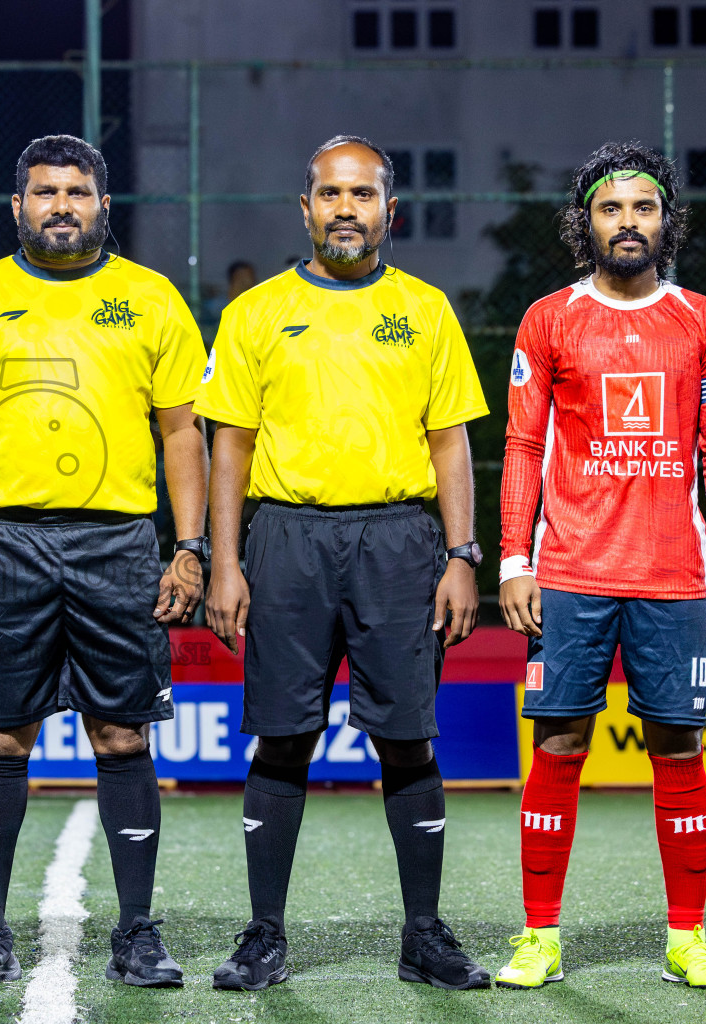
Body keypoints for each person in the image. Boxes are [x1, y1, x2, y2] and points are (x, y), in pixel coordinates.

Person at [199, 134, 491, 992]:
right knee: (283, 737)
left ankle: (424, 935)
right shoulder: (255, 313)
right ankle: (264, 935)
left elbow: (450, 442)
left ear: (389, 210)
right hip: (287, 540)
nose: (346, 209)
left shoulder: (425, 309)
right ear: (306, 209)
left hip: (399, 543)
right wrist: (224, 561)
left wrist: (462, 554)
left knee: (406, 739)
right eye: (330, 193)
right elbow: (229, 446)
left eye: (362, 195)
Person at [0, 134, 208, 989]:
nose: (61, 206)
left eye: (77, 192)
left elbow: (182, 432)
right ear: (17, 206)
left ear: (103, 205)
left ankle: (137, 932)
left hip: (118, 543)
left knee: (121, 734)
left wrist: (188, 547)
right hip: (4, 542)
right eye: (45, 192)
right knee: (0, 736)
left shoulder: (150, 298)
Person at [496, 141, 706, 991]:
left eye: (644, 207)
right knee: (559, 743)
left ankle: (687, 939)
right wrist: (514, 559)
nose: (628, 222)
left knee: (678, 747)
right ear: (587, 222)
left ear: (667, 221)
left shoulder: (703, 321)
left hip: (673, 577)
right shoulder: (549, 318)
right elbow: (523, 445)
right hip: (569, 573)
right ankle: (540, 936)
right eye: (611, 208)